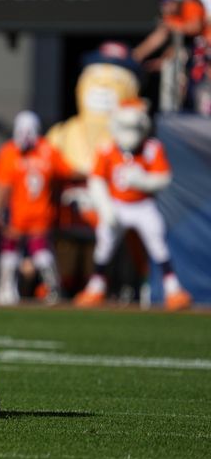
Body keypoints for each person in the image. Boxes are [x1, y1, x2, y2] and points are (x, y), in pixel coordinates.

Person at [73, 99, 193, 310]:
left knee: (158, 244)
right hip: (116, 204)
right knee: (105, 244)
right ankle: (96, 287)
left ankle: (173, 289)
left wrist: (142, 181)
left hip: (142, 204)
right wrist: (105, 207)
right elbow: (97, 180)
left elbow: (163, 177)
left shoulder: (151, 148)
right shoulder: (107, 149)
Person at [0, 110, 80, 305]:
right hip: (41, 212)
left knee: (10, 251)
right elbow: (67, 174)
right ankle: (53, 290)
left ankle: (7, 291)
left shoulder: (10, 151)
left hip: (18, 213)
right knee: (40, 252)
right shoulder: (48, 150)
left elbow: (2, 186)